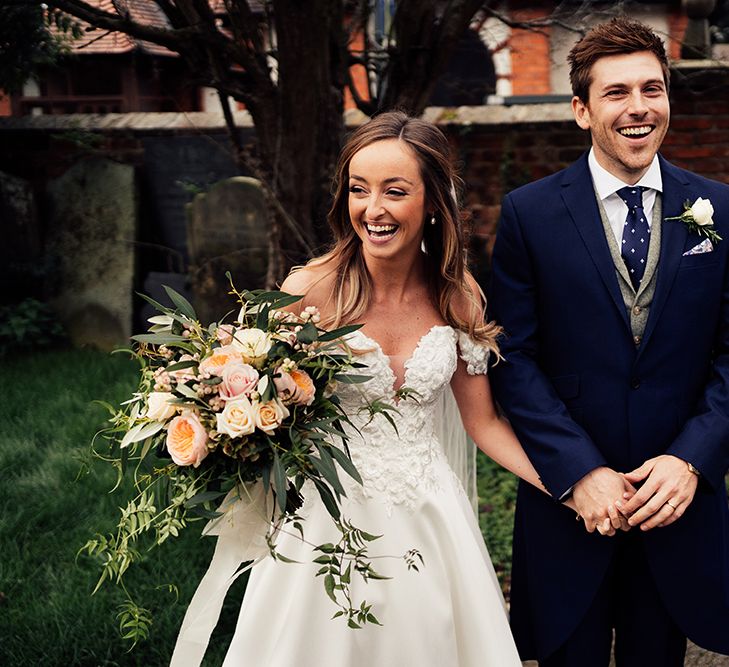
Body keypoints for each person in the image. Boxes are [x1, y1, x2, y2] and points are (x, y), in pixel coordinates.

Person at [176, 110, 573, 666]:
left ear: (433, 203)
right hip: (322, 515)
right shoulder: (308, 290)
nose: (373, 209)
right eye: (358, 190)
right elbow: (255, 388)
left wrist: (567, 483)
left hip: (428, 515)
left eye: (395, 191)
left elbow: (482, 423)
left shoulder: (458, 297)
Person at [489, 17, 729, 667]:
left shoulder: (718, 209)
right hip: (569, 507)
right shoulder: (527, 214)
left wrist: (691, 459)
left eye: (651, 89)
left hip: (672, 503)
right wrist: (577, 471)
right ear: (580, 109)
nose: (638, 108)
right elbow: (512, 356)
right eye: (616, 92)